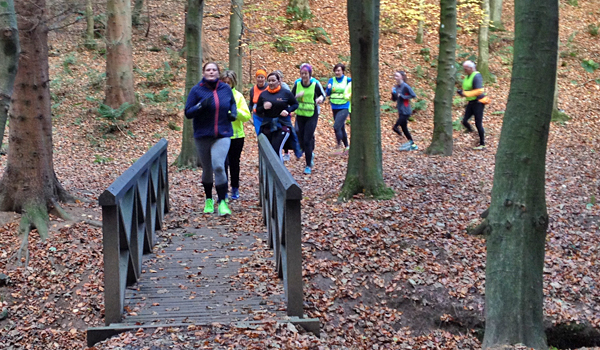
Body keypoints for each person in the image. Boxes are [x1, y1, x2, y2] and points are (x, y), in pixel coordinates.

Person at [185, 62, 237, 216]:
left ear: (218, 72)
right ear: (204, 73)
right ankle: (209, 199)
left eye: (214, 70)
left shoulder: (225, 88)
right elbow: (188, 112)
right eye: (208, 70)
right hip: (203, 135)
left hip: (223, 133)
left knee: (219, 166)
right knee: (207, 169)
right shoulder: (196, 90)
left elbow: (232, 104)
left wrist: (232, 113)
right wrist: (201, 106)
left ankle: (222, 202)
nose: (211, 72)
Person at [255, 72, 299, 162]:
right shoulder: (264, 95)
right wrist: (263, 107)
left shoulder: (286, 93)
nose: (271, 83)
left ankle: (280, 172)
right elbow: (258, 110)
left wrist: (288, 110)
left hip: (282, 124)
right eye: (269, 81)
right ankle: (269, 172)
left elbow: (295, 104)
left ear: (279, 82)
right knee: (268, 150)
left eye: (273, 80)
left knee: (276, 148)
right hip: (268, 125)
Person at [221, 70, 251, 200]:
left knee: (234, 163)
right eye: (224, 82)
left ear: (233, 83)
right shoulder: (217, 95)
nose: (227, 85)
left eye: (229, 82)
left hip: (236, 136)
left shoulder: (238, 96)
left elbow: (246, 116)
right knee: (222, 163)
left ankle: (235, 188)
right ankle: (223, 190)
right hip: (221, 135)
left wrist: (234, 111)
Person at [292, 64, 325, 174]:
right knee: (298, 133)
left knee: (307, 139)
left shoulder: (315, 84)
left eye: (305, 74)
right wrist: (297, 96)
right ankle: (309, 151)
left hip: (312, 114)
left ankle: (308, 165)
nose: (304, 76)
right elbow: (290, 97)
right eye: (302, 74)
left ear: (309, 74)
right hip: (300, 114)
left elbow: (323, 95)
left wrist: (319, 99)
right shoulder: (297, 84)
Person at [457, 60, 489, 150]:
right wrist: (461, 92)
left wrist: (465, 94)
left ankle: (482, 144)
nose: (464, 71)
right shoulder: (467, 77)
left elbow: (479, 90)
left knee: (478, 123)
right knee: (464, 121)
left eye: (465, 69)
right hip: (470, 103)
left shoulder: (477, 76)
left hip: (478, 102)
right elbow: (467, 89)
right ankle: (473, 132)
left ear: (471, 68)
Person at [275, 70, 302, 162]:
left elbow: (291, 100)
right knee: (279, 133)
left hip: (285, 114)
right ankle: (280, 152)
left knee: (290, 132)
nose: (278, 80)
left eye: (279, 78)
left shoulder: (285, 87)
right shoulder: (270, 88)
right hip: (275, 115)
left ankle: (296, 151)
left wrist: (287, 110)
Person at [326, 63, 351, 151]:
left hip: (344, 106)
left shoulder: (347, 80)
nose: (337, 72)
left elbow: (352, 90)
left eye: (339, 71)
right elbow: (327, 93)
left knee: (337, 126)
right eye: (335, 71)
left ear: (342, 71)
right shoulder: (331, 80)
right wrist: (328, 89)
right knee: (341, 127)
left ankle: (339, 144)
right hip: (334, 106)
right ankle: (347, 146)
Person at [391, 71, 418, 151]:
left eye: (397, 76)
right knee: (404, 128)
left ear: (402, 77)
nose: (395, 77)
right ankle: (413, 144)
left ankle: (399, 134)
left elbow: (413, 95)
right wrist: (393, 94)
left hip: (406, 111)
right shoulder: (396, 87)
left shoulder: (405, 86)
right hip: (400, 110)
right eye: (395, 76)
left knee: (396, 126)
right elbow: (394, 99)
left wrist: (402, 96)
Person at [249, 69, 268, 136]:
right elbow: (251, 103)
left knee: (267, 134)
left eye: (262, 77)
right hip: (256, 116)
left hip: (267, 116)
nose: (260, 79)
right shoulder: (253, 89)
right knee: (259, 135)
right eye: (258, 77)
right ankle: (260, 146)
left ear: (265, 78)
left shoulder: (269, 88)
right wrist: (249, 114)